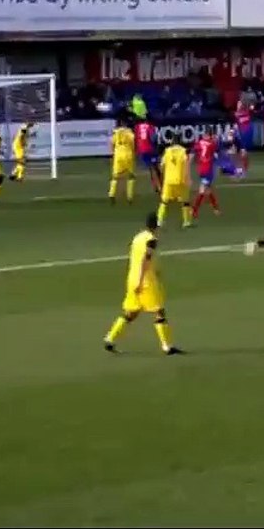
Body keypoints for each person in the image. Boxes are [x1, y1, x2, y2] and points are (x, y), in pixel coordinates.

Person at [102, 211, 182, 356]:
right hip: (145, 281)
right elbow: (146, 259)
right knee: (159, 312)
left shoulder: (138, 237)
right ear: (155, 226)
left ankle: (110, 338)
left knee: (131, 313)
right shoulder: (151, 240)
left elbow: (137, 258)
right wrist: (142, 279)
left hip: (132, 278)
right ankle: (167, 346)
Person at [157, 132, 192, 229]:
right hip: (180, 180)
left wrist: (163, 175)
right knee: (185, 202)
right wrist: (188, 178)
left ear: (172, 141)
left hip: (169, 180)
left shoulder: (167, 151)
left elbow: (162, 165)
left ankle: (159, 220)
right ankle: (186, 221)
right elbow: (186, 165)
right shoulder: (183, 151)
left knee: (164, 201)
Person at [191, 129, 221, 218]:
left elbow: (193, 152)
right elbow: (217, 152)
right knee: (204, 190)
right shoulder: (212, 144)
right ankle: (195, 210)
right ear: (210, 135)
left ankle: (214, 209)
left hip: (202, 170)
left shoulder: (199, 143)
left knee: (206, 189)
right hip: (208, 170)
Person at [108, 115, 137, 205]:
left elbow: (111, 143)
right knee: (131, 176)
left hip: (118, 154)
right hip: (128, 154)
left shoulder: (115, 132)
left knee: (115, 176)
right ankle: (129, 197)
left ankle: (111, 194)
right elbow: (133, 142)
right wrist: (134, 152)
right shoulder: (129, 132)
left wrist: (113, 153)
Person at [134, 116, 161, 192]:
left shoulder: (137, 127)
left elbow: (136, 138)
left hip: (142, 150)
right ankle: (160, 185)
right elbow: (153, 139)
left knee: (151, 169)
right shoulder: (150, 127)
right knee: (156, 167)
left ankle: (155, 186)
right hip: (150, 149)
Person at [234, 100, 254, 172]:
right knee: (240, 152)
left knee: (244, 152)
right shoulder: (236, 114)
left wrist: (251, 105)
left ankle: (244, 169)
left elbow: (252, 108)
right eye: (238, 104)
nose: (239, 105)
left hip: (247, 133)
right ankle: (242, 168)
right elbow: (236, 124)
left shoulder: (247, 111)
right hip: (241, 133)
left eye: (240, 104)